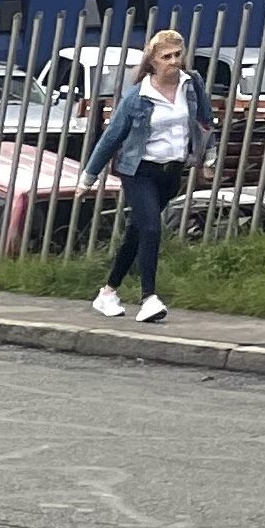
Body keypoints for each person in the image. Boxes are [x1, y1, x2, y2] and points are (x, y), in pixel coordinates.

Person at [81, 30, 212, 325]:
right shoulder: (138, 96)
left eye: (177, 55)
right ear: (152, 61)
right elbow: (111, 138)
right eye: (166, 57)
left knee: (138, 231)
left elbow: (204, 121)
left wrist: (209, 158)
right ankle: (149, 298)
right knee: (152, 228)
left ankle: (107, 292)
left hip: (171, 172)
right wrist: (88, 177)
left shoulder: (192, 84)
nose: (174, 61)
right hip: (139, 171)